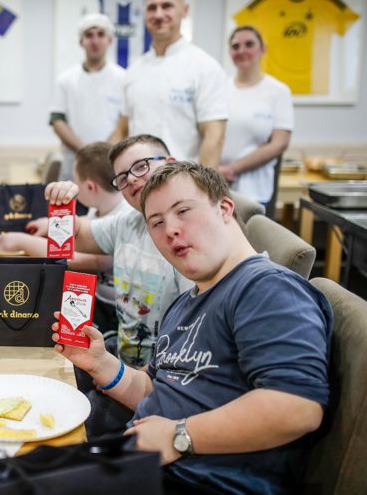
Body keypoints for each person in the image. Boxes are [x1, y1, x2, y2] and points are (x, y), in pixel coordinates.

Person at [52, 161, 332, 493]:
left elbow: (297, 407)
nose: (170, 230)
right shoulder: (187, 301)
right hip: (141, 463)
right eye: (157, 222)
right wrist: (101, 364)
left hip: (205, 482)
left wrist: (178, 436)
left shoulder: (265, 287)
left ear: (224, 209)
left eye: (183, 211)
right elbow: (157, 390)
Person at [42, 135, 192, 369]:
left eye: (141, 166)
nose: (131, 179)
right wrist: (62, 203)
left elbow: (192, 337)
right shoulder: (128, 222)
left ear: (170, 164)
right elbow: (77, 234)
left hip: (162, 377)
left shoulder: (190, 238)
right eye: (122, 177)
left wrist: (122, 378)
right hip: (122, 363)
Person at [0, 142, 131, 333]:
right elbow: (89, 223)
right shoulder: (102, 205)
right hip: (95, 297)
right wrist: (51, 224)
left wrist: (23, 242)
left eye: (75, 181)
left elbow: (89, 261)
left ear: (90, 187)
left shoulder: (123, 217)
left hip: (110, 311)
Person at [110, 0, 227, 168]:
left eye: (167, 6)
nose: (158, 14)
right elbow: (121, 131)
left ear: (184, 11)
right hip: (137, 179)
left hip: (182, 179)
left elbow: (214, 137)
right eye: (152, 8)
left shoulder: (205, 67)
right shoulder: (134, 70)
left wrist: (201, 185)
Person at [219, 25, 294, 205]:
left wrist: (232, 169)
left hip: (254, 190)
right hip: (217, 186)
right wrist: (215, 171)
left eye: (249, 44)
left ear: (263, 49)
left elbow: (279, 143)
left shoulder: (278, 91)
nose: (242, 51)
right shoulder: (219, 87)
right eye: (236, 46)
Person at [49, 12, 126, 181]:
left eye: (101, 34)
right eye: (89, 35)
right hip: (74, 165)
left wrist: (103, 154)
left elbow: (124, 122)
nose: (95, 41)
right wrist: (86, 152)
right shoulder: (66, 80)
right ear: (81, 41)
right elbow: (57, 121)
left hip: (110, 164)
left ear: (110, 40)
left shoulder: (123, 79)